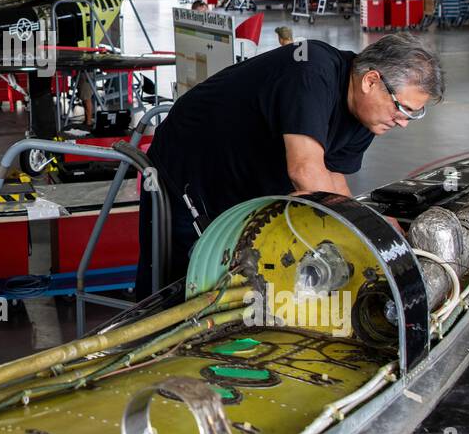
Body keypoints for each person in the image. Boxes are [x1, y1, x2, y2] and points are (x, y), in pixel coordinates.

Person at [135, 33, 443, 297]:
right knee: (182, 281)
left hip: (246, 179)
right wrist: (367, 233)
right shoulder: (312, 71)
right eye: (404, 109)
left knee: (238, 273)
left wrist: (368, 223)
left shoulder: (367, 117)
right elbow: (305, 171)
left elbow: (333, 182)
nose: (404, 122)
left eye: (414, 114)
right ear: (371, 81)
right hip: (192, 170)